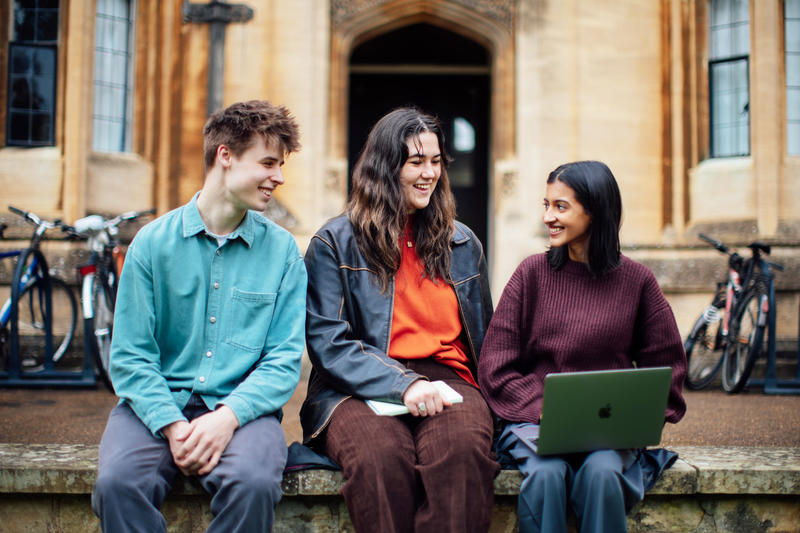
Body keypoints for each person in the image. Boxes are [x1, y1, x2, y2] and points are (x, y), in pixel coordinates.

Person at [91, 100, 307, 533]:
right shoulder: (151, 245)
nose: (279, 177)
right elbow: (131, 356)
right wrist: (173, 425)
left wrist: (227, 417)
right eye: (267, 162)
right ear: (225, 156)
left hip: (243, 410)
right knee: (116, 485)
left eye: (280, 165)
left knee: (253, 484)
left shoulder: (283, 253)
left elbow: (283, 362)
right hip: (153, 407)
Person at [299, 107, 499, 533]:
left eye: (436, 161)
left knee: (462, 455)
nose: (429, 173)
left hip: (449, 380)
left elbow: (488, 338)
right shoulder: (334, 242)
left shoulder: (463, 243)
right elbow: (328, 343)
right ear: (386, 167)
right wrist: (404, 384)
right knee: (379, 459)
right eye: (415, 162)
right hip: (352, 386)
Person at [478, 160, 687, 533]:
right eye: (546, 205)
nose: (548, 217)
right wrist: (544, 409)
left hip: (608, 430)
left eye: (561, 206)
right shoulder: (531, 275)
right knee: (545, 473)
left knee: (602, 473)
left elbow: (667, 366)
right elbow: (495, 364)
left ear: (596, 211)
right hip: (533, 423)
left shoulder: (637, 282)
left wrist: (634, 417)